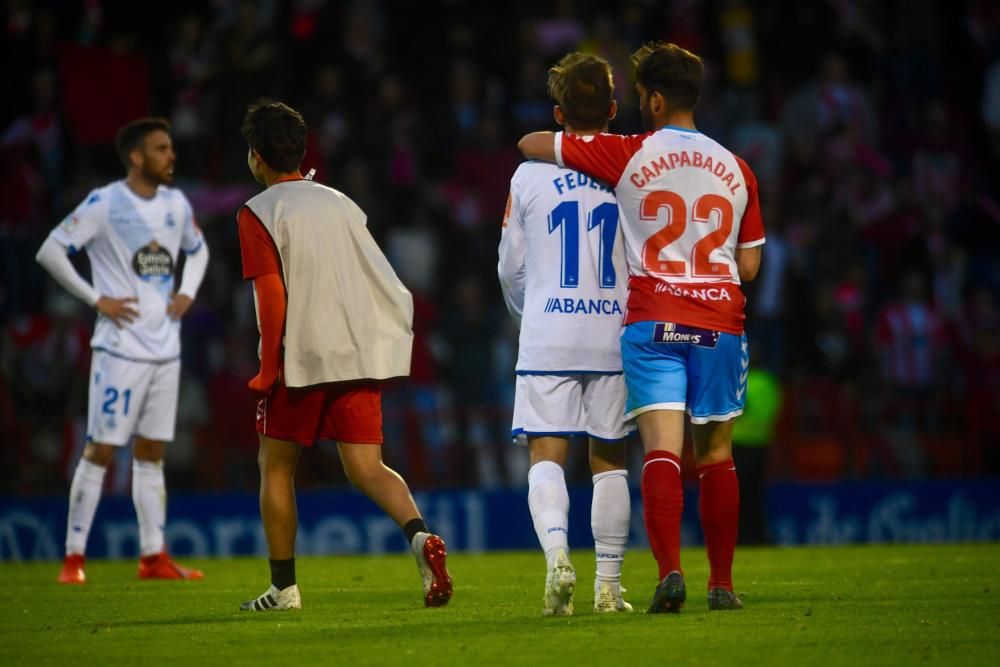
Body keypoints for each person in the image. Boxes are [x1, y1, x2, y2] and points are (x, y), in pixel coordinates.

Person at [518, 41, 765, 612]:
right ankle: (722, 584)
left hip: (655, 320)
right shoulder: (738, 167)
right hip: (719, 321)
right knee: (718, 454)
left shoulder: (628, 153)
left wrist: (573, 142)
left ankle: (669, 575)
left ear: (652, 100)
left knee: (660, 452)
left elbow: (532, 145)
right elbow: (749, 265)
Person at [235, 99, 452, 611]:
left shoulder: (258, 211)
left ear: (256, 158)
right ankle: (421, 537)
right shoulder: (341, 202)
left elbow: (271, 294)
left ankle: (284, 589)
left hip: (301, 356)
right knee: (368, 467)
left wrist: (268, 368)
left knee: (275, 466)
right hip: (354, 351)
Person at [35, 117, 210, 583]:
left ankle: (153, 556)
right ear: (137, 157)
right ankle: (73, 559)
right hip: (119, 350)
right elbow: (50, 250)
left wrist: (187, 291)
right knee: (103, 448)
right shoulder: (105, 203)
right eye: (161, 148)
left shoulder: (175, 204)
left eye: (171, 147)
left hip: (165, 350)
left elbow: (199, 249)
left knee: (151, 452)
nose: (171, 155)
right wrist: (97, 299)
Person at [498, 52, 633, 616]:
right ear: (614, 108)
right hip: (615, 332)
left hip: (549, 330)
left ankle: (558, 559)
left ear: (557, 113)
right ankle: (608, 585)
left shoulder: (528, 174)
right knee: (610, 460)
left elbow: (510, 266)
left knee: (546, 456)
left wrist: (532, 318)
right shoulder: (632, 168)